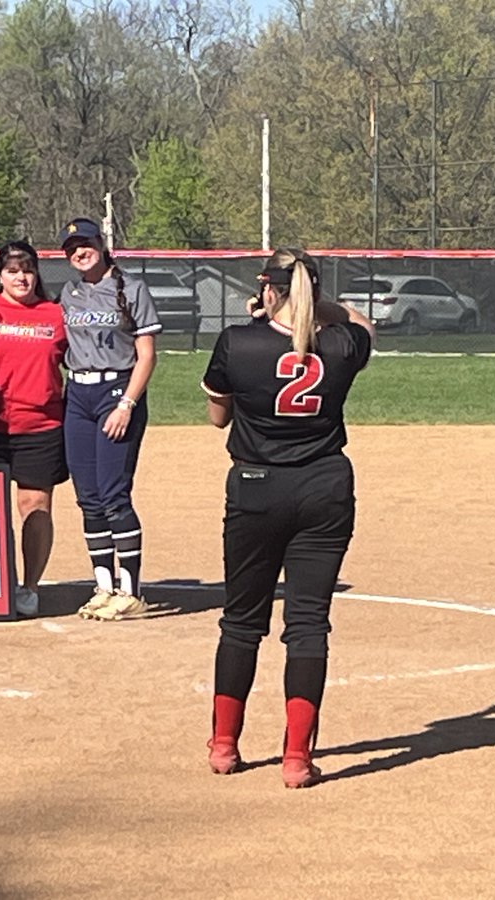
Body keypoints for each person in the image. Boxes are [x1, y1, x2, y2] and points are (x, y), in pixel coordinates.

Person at [200, 247, 374, 788]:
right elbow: (362, 324)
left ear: (267, 289)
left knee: (241, 621)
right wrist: (318, 304)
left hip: (256, 487)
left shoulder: (239, 341)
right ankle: (296, 758)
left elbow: (216, 415)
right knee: (307, 625)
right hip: (324, 487)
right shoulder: (342, 344)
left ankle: (225, 746)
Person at [57, 217, 161, 621]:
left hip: (116, 391)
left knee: (114, 493)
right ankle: (103, 586)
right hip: (78, 394)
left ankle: (131, 590)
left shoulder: (130, 288)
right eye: (71, 249)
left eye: (84, 244)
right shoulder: (69, 292)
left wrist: (127, 404)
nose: (79, 252)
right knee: (88, 497)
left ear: (100, 244)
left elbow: (147, 353)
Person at [0, 241, 68, 617]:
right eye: (12, 270)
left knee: (35, 506)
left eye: (27, 269)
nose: (21, 277)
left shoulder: (55, 314)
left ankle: (29, 587)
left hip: (40, 425)